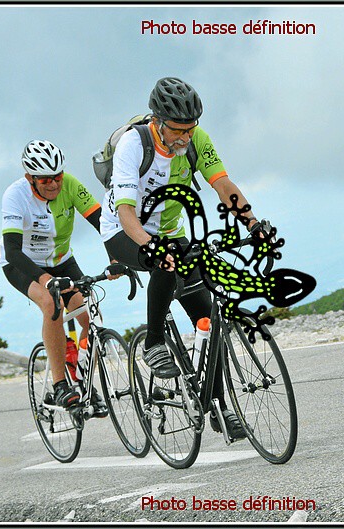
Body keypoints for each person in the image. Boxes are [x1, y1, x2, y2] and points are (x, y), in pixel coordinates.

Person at [100, 77, 268, 439]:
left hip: (170, 230)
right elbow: (126, 212)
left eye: (190, 129)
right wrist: (152, 246)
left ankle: (219, 407)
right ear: (157, 121)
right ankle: (154, 342)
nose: (185, 137)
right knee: (165, 260)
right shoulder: (134, 144)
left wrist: (252, 222)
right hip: (123, 230)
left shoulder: (196, 140)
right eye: (177, 130)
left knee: (207, 316)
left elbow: (223, 185)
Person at [0, 140, 109, 413]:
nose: (53, 184)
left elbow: (102, 222)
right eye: (45, 180)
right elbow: (12, 250)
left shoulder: (70, 185)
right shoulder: (15, 195)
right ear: (30, 178)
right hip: (23, 263)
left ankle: (83, 380)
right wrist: (45, 279)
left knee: (90, 315)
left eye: (57, 177)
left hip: (61, 260)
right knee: (51, 304)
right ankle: (60, 384)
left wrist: (116, 259)